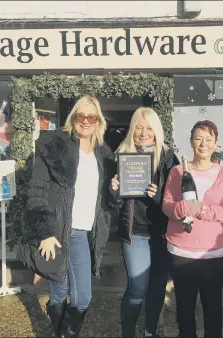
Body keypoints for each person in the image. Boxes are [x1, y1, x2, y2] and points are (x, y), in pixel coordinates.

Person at [23, 96, 114, 338]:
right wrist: (45, 231)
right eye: (80, 116)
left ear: (98, 122)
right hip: (57, 230)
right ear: (72, 119)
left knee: (83, 297)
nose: (85, 121)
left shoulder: (104, 154)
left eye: (91, 117)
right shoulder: (54, 146)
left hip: (84, 232)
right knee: (59, 292)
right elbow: (37, 190)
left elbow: (107, 195)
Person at [162, 120, 223, 338]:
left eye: (208, 139)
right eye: (198, 138)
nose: (203, 144)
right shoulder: (177, 172)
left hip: (213, 255)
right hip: (181, 253)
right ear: (191, 142)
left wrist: (205, 211)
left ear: (216, 143)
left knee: (213, 307)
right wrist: (180, 208)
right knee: (185, 310)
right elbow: (167, 205)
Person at [110, 107, 179, 338]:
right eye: (138, 127)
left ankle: (150, 331)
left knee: (157, 287)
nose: (143, 133)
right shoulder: (121, 154)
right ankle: (128, 332)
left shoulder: (168, 157)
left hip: (162, 232)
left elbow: (178, 199)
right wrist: (112, 191)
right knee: (138, 287)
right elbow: (110, 202)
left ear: (156, 129)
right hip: (135, 232)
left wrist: (161, 198)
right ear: (132, 129)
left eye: (149, 127)